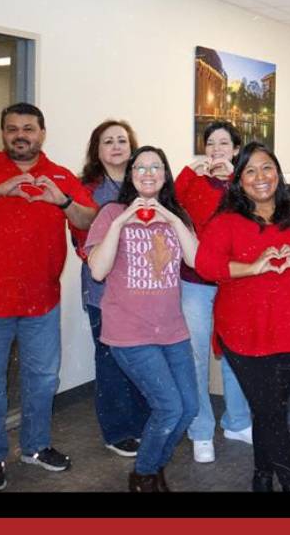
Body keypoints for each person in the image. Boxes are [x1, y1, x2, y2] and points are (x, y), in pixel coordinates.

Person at [195, 142, 290, 491]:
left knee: (269, 408)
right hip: (243, 332)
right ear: (239, 180)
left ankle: (262, 475)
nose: (260, 177)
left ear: (277, 173)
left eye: (267, 168)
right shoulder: (226, 221)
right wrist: (252, 267)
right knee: (271, 409)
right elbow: (205, 265)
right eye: (250, 171)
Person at [0, 103, 96, 490]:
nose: (20, 135)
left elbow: (89, 220)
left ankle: (36, 447)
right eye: (12, 129)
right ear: (3, 133)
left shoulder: (59, 175)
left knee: (42, 380)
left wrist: (62, 200)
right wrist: (0, 189)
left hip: (42, 301)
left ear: (42, 133)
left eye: (28, 128)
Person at [85, 146, 201, 491]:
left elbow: (196, 261)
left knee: (189, 408)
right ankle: (144, 475)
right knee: (168, 407)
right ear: (131, 174)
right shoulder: (111, 212)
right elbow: (98, 270)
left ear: (165, 175)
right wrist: (122, 221)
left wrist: (172, 218)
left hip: (172, 330)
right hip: (129, 332)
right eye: (141, 167)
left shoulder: (177, 215)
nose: (148, 173)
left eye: (156, 167)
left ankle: (153, 465)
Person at [171, 120, 253, 462]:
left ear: (235, 149)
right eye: (211, 143)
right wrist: (190, 172)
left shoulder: (245, 182)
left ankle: (237, 421)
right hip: (195, 281)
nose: (216, 149)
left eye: (224, 143)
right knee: (196, 356)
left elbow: (255, 216)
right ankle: (201, 429)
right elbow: (169, 203)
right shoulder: (192, 181)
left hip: (233, 281)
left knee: (235, 353)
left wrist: (235, 178)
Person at [70, 120, 151, 461]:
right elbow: (81, 240)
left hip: (143, 290)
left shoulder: (145, 182)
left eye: (122, 140)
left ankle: (144, 423)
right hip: (103, 290)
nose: (116, 146)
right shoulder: (87, 190)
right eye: (108, 141)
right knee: (111, 361)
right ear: (97, 150)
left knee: (143, 359)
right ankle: (117, 432)